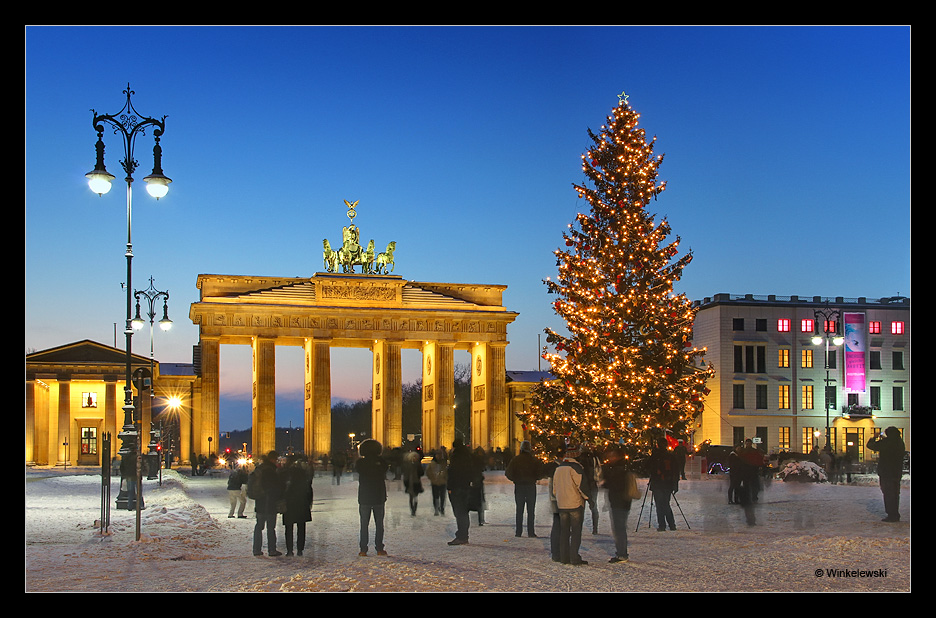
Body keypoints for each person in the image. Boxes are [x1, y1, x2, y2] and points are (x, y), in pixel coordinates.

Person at [552, 443, 589, 565]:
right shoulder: (576, 468)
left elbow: (554, 489)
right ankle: (574, 557)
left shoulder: (559, 468)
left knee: (564, 532)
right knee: (576, 532)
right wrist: (588, 498)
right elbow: (582, 486)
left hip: (562, 504)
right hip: (575, 503)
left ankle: (564, 557)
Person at [355, 439, 389, 556]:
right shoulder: (382, 462)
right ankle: (379, 548)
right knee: (379, 524)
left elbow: (359, 470)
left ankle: (363, 549)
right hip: (378, 496)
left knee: (364, 525)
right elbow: (384, 469)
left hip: (365, 497)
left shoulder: (360, 463)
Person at [505, 440, 543, 538]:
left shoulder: (515, 460)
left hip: (519, 486)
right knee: (531, 510)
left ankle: (518, 532)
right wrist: (534, 478)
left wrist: (515, 479)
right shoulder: (534, 460)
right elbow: (540, 473)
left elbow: (508, 473)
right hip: (530, 486)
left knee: (519, 510)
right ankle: (531, 532)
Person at [867, 427, 905, 522]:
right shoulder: (899, 442)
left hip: (886, 471)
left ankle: (891, 514)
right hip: (896, 471)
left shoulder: (886, 442)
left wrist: (874, 438)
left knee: (888, 493)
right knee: (895, 493)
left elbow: (871, 445)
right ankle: (895, 513)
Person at [602, 447, 633, 563]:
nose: (609, 458)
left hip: (618, 502)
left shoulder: (616, 470)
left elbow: (611, 484)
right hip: (624, 501)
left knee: (619, 528)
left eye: (612, 456)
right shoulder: (624, 467)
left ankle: (622, 553)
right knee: (620, 528)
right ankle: (622, 551)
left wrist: (606, 478)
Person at [446, 438, 480, 545]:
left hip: (457, 487)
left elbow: (453, 473)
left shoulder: (456, 457)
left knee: (459, 512)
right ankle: (463, 534)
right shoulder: (468, 456)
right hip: (465, 486)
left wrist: (450, 487)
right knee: (464, 512)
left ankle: (462, 536)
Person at [252, 450, 284, 557]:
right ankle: (272, 550)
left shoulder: (259, 468)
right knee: (271, 528)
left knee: (259, 526)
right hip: (269, 502)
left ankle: (256, 549)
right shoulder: (271, 471)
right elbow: (275, 488)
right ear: (273, 459)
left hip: (260, 502)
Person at [281, 455, 313, 556]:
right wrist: (308, 503)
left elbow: (281, 489)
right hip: (302, 503)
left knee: (288, 528)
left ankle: (289, 550)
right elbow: (309, 490)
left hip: (289, 503)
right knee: (301, 527)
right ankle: (300, 549)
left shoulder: (285, 474)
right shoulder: (304, 475)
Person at [648, 438, 678, 531]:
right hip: (667, 483)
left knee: (660, 504)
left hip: (658, 482)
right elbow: (676, 471)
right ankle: (671, 524)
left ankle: (662, 525)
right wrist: (675, 484)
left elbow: (649, 467)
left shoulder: (656, 456)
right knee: (665, 503)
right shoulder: (671, 456)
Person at [580, 446, 602, 535]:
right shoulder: (594, 459)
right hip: (592, 485)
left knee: (580, 509)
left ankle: (578, 528)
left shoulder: (579, 459)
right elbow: (599, 470)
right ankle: (595, 528)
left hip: (581, 486)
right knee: (594, 507)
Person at [426, 450, 448, 516]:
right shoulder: (432, 463)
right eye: (437, 455)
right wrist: (432, 478)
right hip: (435, 482)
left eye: (439, 455)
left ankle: (442, 508)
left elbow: (447, 472)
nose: (438, 456)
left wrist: (445, 477)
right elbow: (428, 472)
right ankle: (436, 508)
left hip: (443, 482)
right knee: (435, 496)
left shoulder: (444, 463)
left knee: (442, 497)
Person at [402, 450, 424, 516]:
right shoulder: (407, 465)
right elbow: (405, 474)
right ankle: (412, 509)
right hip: (410, 482)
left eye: (416, 457)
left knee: (415, 497)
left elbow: (421, 473)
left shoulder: (418, 464)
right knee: (411, 497)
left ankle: (414, 509)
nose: (415, 458)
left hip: (416, 482)